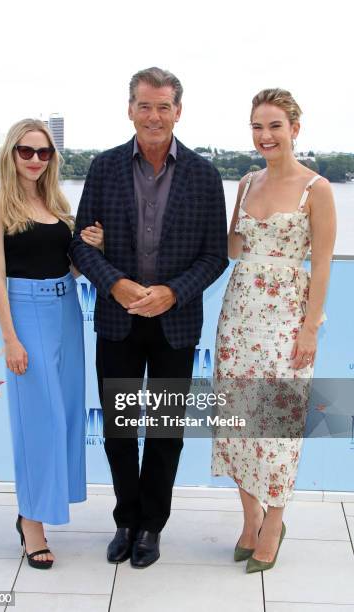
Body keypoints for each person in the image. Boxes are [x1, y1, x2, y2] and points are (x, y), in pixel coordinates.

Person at [70, 67, 228, 568]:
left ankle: (151, 527)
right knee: (119, 427)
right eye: (145, 105)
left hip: (174, 323)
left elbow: (215, 255)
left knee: (163, 431)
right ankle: (125, 519)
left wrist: (171, 293)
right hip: (117, 319)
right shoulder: (103, 167)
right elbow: (80, 241)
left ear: (178, 111)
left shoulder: (203, 175)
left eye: (163, 106)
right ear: (130, 109)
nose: (154, 115)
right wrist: (114, 283)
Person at [211, 89, 336, 573]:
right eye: (257, 127)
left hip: (287, 317)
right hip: (239, 313)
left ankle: (274, 520)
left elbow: (322, 265)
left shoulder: (317, 188)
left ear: (294, 130)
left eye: (275, 126)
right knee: (238, 421)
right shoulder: (245, 182)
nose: (265, 136)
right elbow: (232, 248)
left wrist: (309, 328)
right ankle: (249, 519)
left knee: (278, 426)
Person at [0, 119, 101, 569]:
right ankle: (32, 524)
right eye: (26, 151)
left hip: (66, 310)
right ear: (10, 154)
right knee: (39, 421)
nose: (34, 160)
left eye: (44, 153)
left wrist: (90, 248)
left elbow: (70, 269)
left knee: (65, 415)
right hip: (25, 314)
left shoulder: (57, 204)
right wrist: (10, 338)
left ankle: (37, 509)